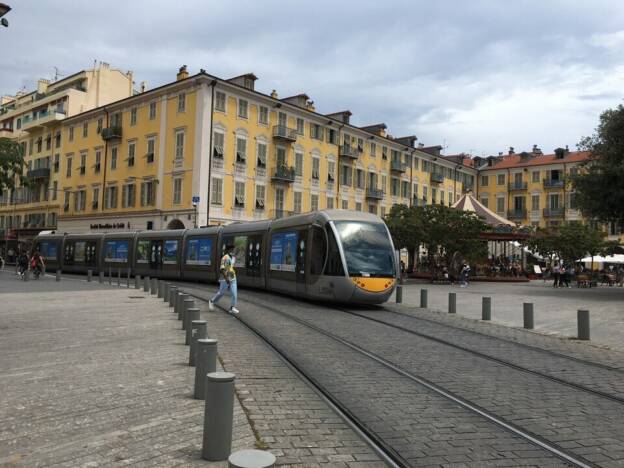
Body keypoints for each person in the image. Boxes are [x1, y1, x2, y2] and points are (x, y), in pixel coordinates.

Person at [208, 243, 239, 314]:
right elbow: (222, 269)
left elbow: (230, 267)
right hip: (225, 278)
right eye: (232, 249)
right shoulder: (225, 258)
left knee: (234, 293)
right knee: (221, 293)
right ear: (228, 250)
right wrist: (226, 278)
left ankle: (232, 307)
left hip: (233, 277)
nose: (233, 251)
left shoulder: (233, 257)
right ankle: (212, 301)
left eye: (234, 249)